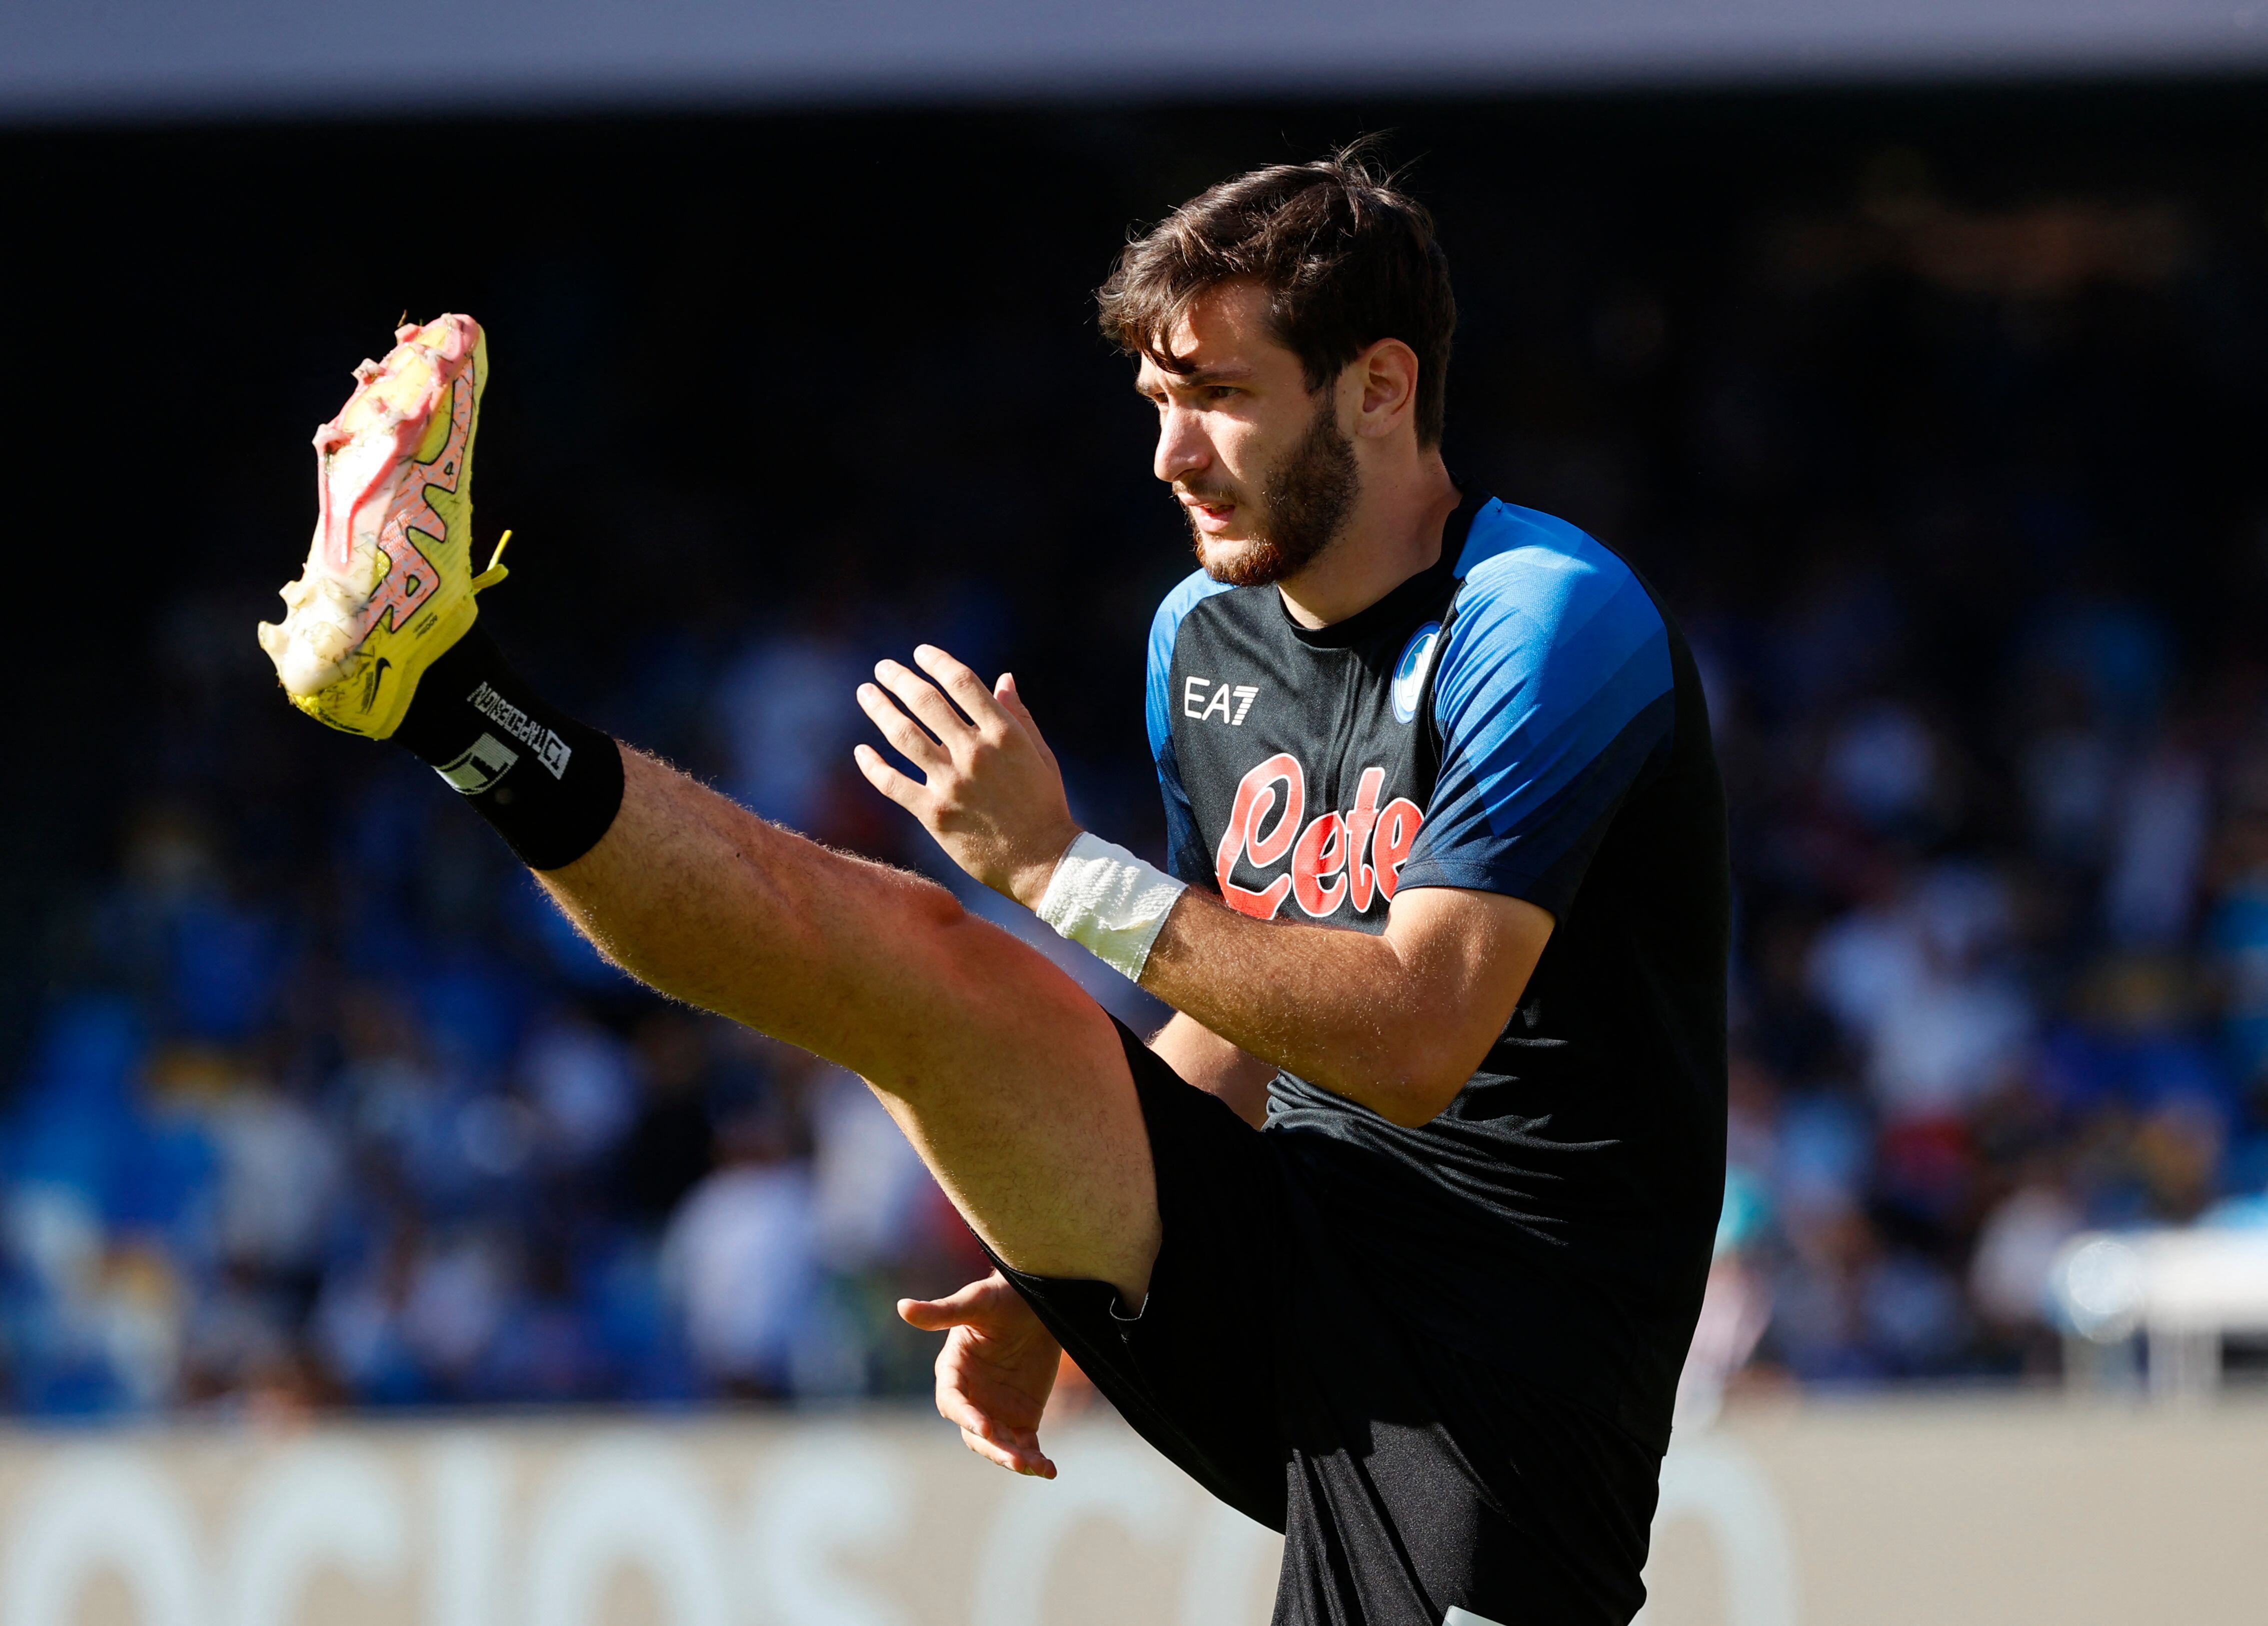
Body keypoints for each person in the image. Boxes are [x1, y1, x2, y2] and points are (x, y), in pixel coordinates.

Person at [259, 146, 1727, 1626]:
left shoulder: (1546, 620)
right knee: (924, 964)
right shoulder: (1200, 640)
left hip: (1510, 1356)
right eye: (1158, 402)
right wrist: (1057, 1253)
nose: (1171, 454)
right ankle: (443, 685)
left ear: (1380, 386)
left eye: (1221, 395)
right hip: (1290, 1238)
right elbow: (1250, 990)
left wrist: (1060, 868)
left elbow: (1415, 1037)